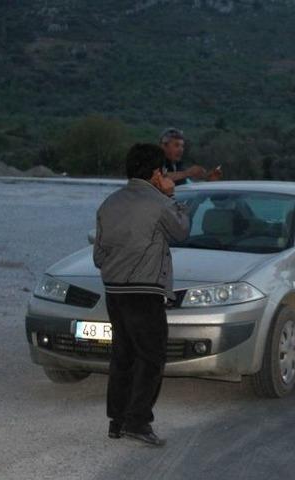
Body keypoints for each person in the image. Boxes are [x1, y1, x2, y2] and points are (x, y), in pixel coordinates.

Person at [93, 143, 191, 446]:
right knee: (151, 357)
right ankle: (138, 422)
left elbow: (98, 256)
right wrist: (172, 196)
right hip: (144, 291)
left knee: (123, 355)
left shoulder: (109, 203)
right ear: (155, 173)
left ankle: (117, 421)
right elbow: (182, 231)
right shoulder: (159, 202)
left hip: (114, 291)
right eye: (162, 172)